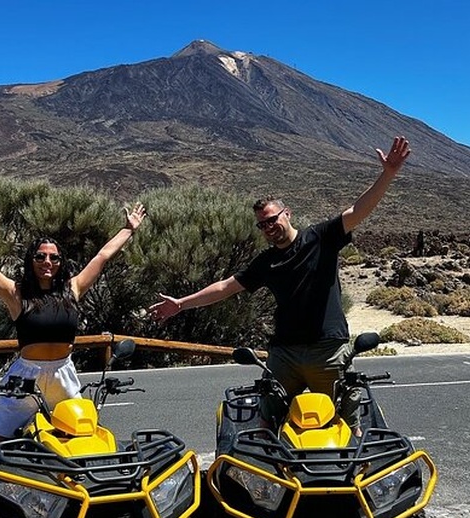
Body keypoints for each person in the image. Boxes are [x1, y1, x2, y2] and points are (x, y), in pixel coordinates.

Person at [148, 136, 410, 437]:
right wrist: (180, 304)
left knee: (347, 425)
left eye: (272, 219)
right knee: (268, 422)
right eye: (262, 225)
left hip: (328, 349)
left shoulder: (320, 238)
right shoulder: (266, 262)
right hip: (284, 354)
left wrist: (388, 174)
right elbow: (225, 288)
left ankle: (356, 477)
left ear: (287, 214)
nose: (268, 227)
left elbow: (358, 211)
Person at [0, 202, 146, 450]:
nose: (47, 261)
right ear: (31, 260)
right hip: (25, 378)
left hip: (63, 378)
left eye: (54, 257)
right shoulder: (16, 294)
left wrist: (128, 229)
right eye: (40, 256)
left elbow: (103, 255)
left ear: (60, 262)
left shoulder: (72, 289)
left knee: (81, 440)